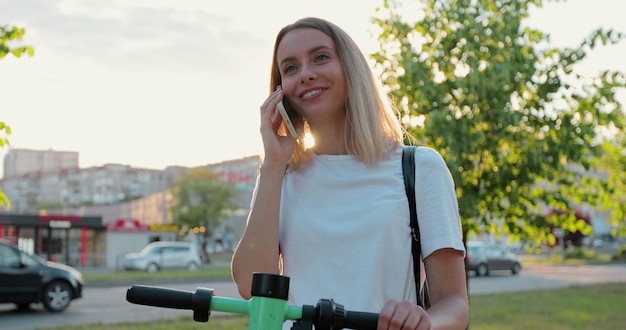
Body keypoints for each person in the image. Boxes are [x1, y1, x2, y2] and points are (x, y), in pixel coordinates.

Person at [231, 17, 469, 330]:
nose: (306, 74)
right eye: (290, 68)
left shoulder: (419, 168)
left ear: (351, 68)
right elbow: (251, 285)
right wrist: (273, 163)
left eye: (320, 57)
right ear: (280, 91)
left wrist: (423, 324)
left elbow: (454, 304)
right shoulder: (280, 175)